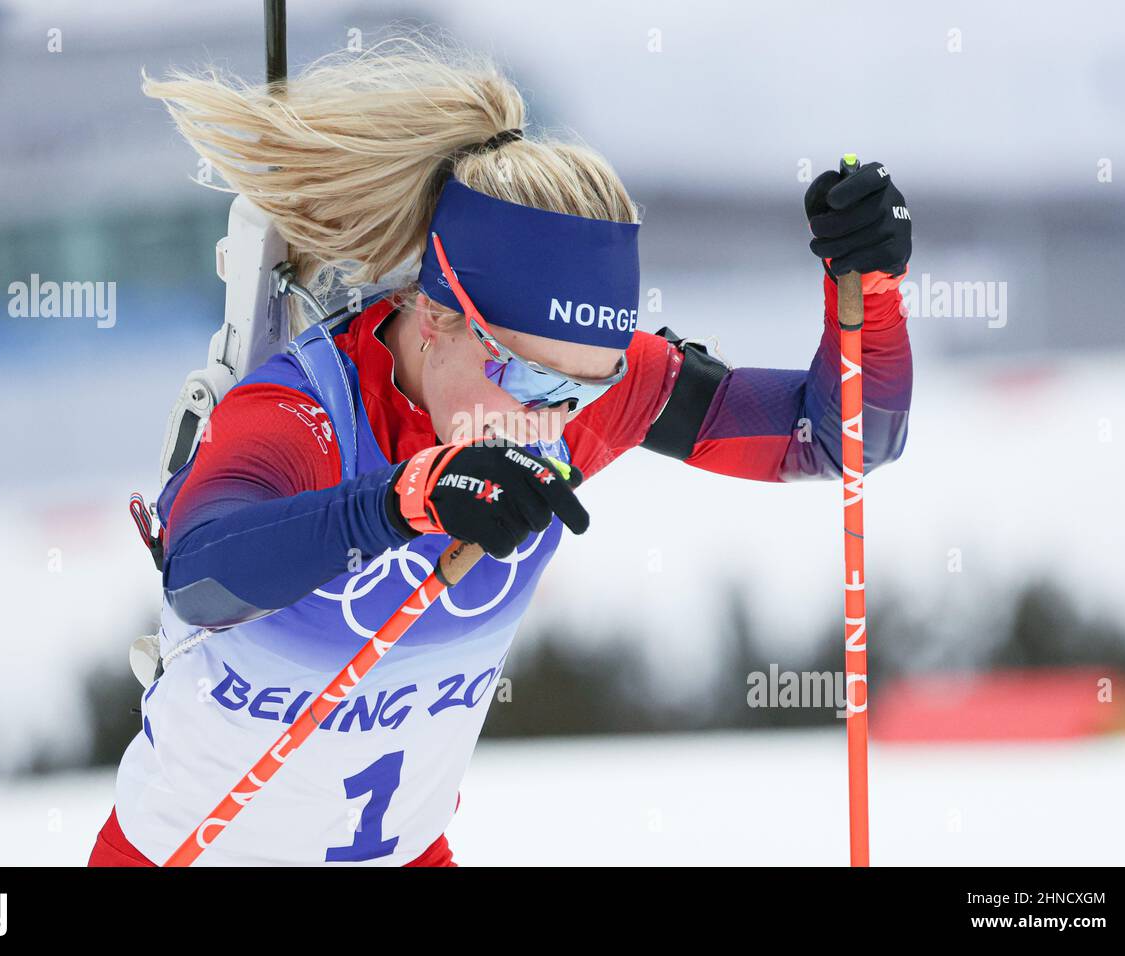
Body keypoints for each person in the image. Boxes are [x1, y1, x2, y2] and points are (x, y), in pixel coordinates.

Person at [90, 36, 913, 867]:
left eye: (587, 391)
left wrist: (869, 291)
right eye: (527, 377)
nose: (552, 422)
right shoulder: (302, 410)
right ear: (437, 313)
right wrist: (403, 499)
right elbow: (201, 580)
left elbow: (840, 438)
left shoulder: (560, 401)